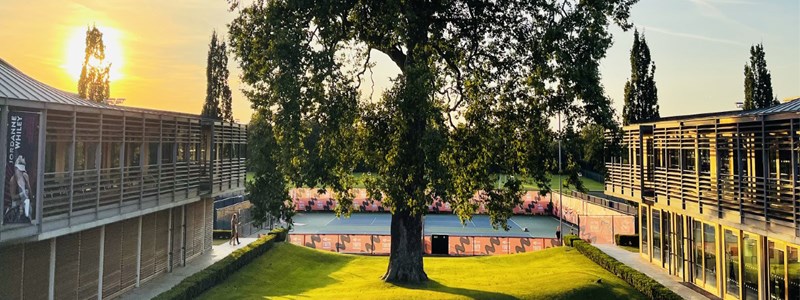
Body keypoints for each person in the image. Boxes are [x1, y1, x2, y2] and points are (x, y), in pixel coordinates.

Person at [7, 155, 33, 222]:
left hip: (25, 205)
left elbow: (30, 196)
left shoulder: (25, 176)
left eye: (22, 171)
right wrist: (22, 194)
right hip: (16, 206)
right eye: (19, 170)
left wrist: (28, 183)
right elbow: (13, 197)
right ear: (15, 169)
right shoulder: (13, 180)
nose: (21, 173)